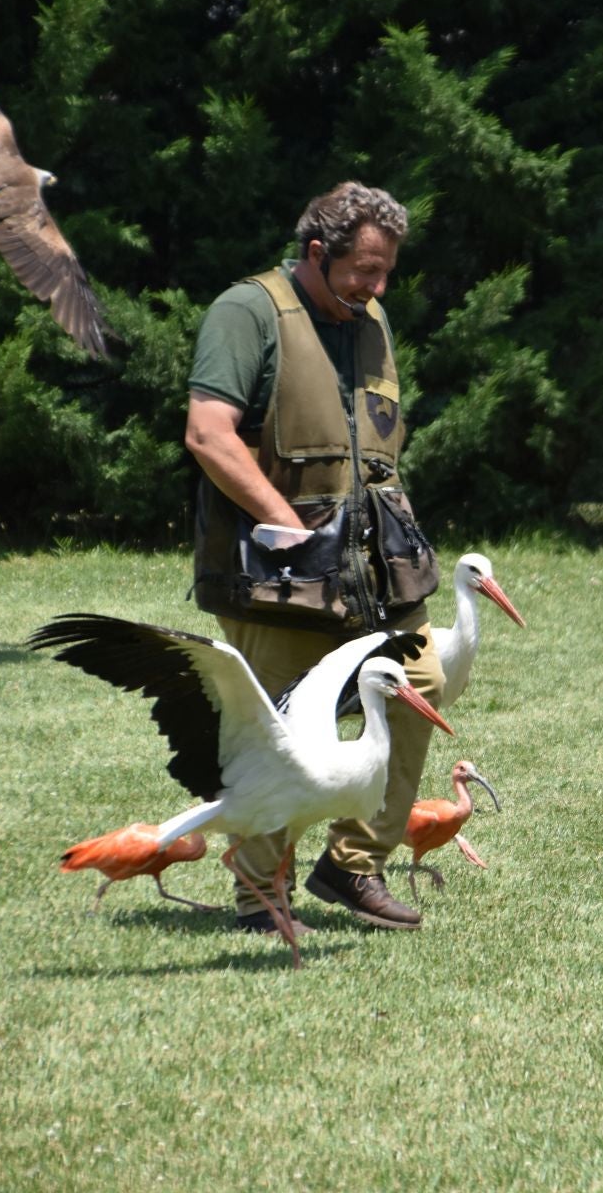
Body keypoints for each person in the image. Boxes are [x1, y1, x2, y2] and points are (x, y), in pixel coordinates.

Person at [184, 180, 444, 934]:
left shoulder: (371, 319)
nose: (377, 287)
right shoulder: (247, 312)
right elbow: (207, 434)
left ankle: (352, 865)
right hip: (278, 573)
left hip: (372, 569)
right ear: (317, 251)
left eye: (386, 271)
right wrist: (283, 523)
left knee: (419, 684)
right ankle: (259, 897)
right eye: (365, 270)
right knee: (282, 724)